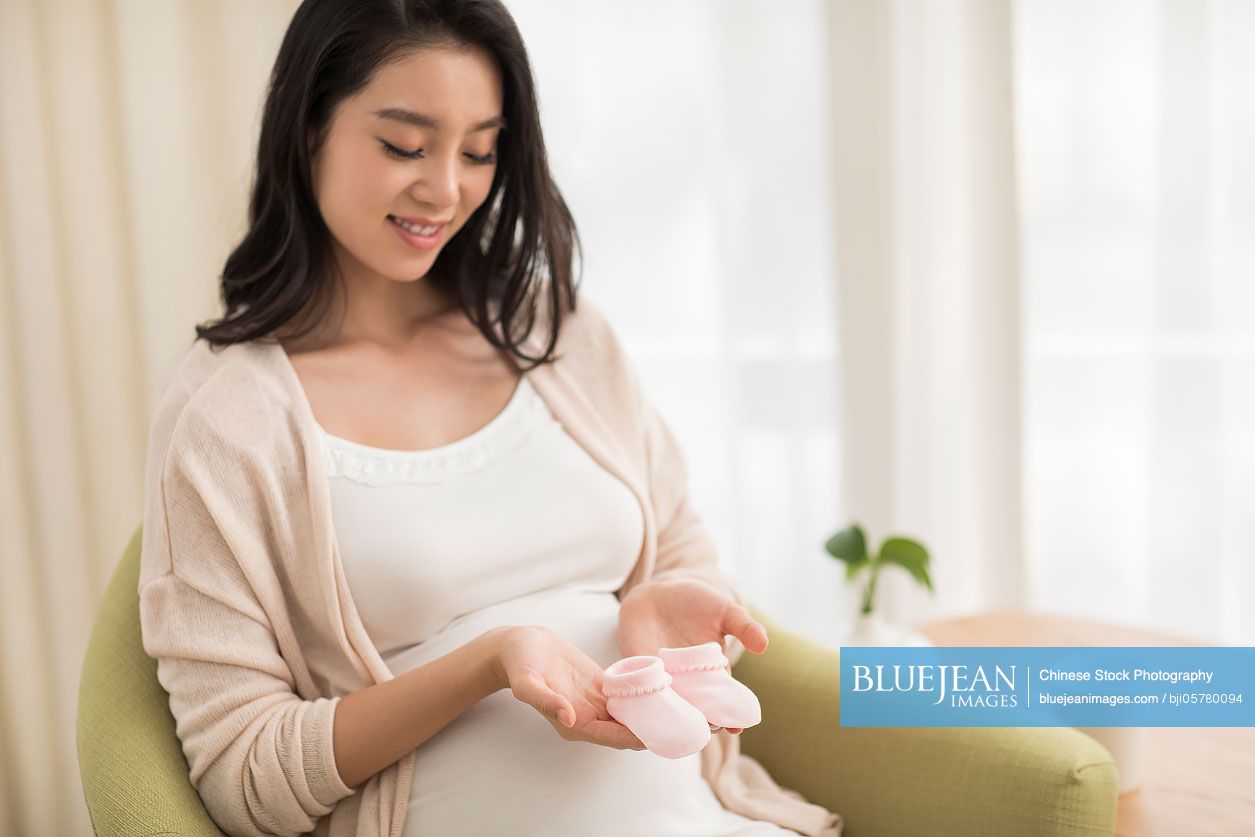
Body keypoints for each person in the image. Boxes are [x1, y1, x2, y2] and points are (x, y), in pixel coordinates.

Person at [139, 1, 844, 835]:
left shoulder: (556, 333)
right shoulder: (227, 420)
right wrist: (487, 662)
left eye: (478, 150)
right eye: (403, 144)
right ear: (306, 129)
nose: (445, 189)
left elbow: (682, 542)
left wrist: (669, 604)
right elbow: (240, 777)